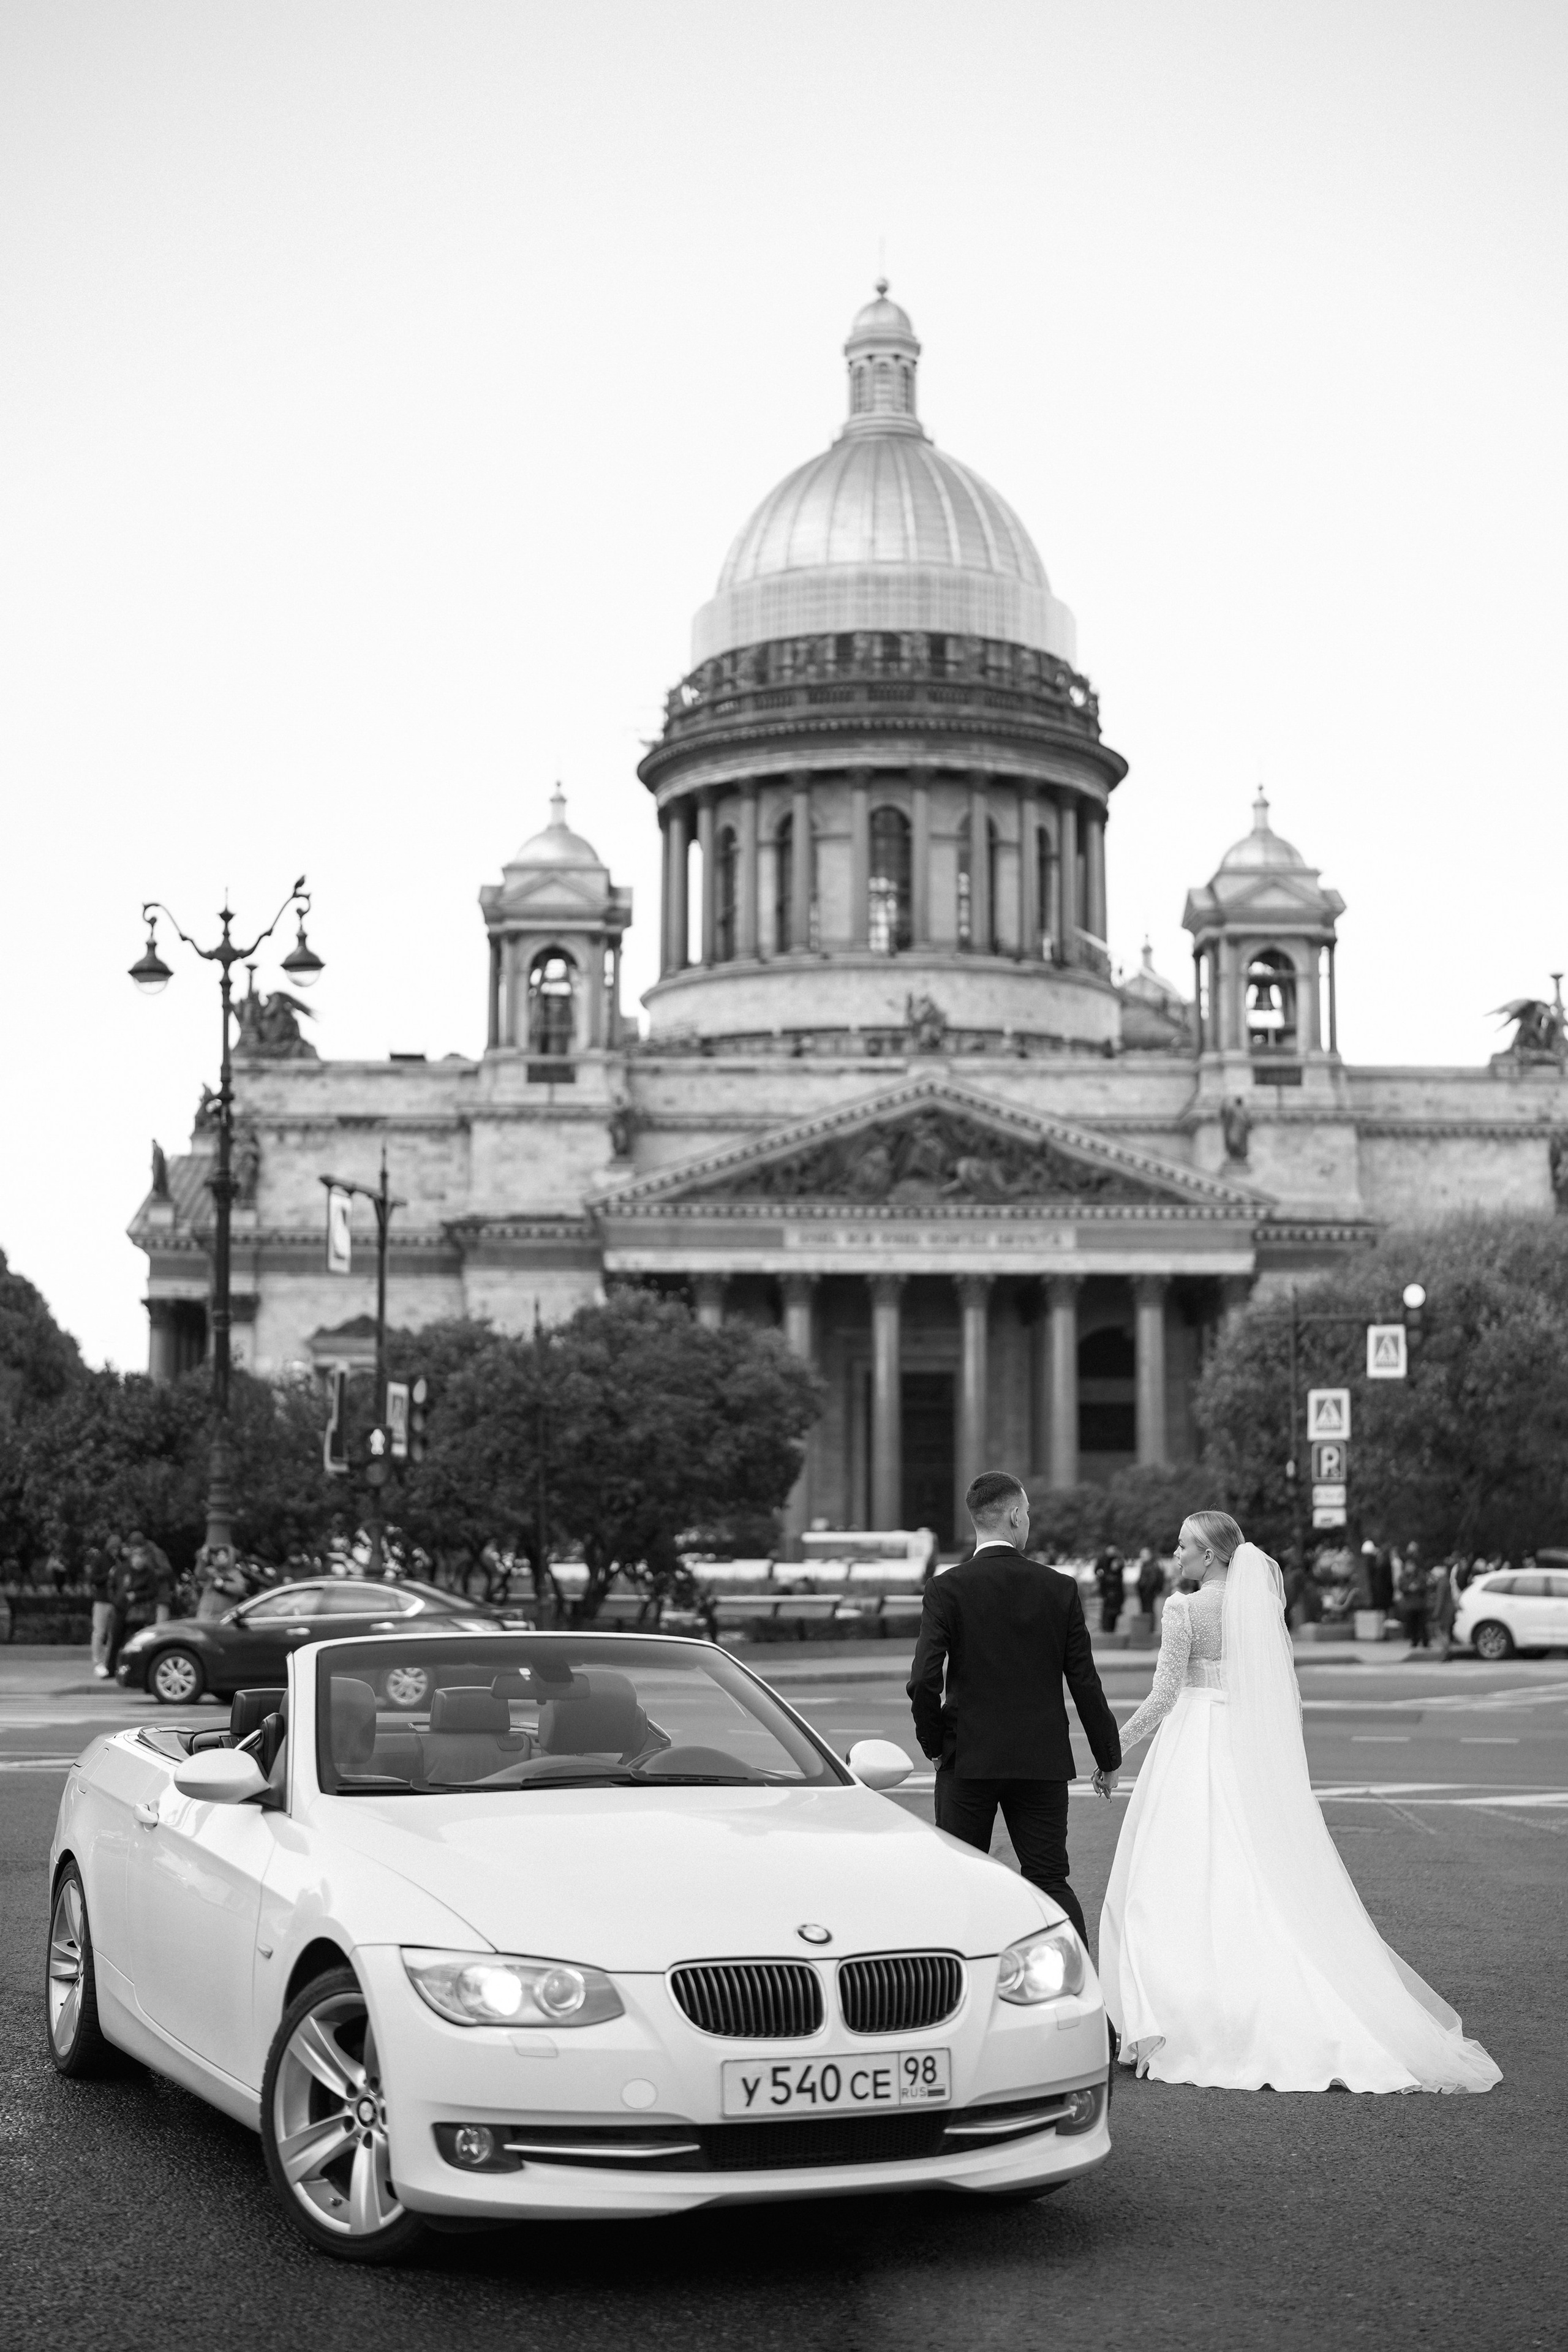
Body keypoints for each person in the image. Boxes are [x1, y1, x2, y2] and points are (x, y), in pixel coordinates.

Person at [1098, 1510, 1499, 2092]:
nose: (1175, 1555)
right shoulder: (1255, 1609)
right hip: (1239, 1746)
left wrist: (1115, 1752)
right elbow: (1279, 1692)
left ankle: (1183, 2005)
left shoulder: (1183, 1608)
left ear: (1209, 1556)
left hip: (1192, 1743)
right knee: (1252, 1867)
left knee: (1173, 1874)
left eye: (1184, 1547)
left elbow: (1164, 1695)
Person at [907, 1470, 1121, 1943]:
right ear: (1015, 1516)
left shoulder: (947, 1588)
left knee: (964, 1884)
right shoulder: (1059, 1588)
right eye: (1027, 1515)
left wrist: (935, 1745)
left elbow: (924, 1680)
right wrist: (1108, 1758)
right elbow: (1085, 1682)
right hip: (1039, 1761)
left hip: (967, 1759)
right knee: (1049, 1881)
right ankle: (1082, 1995)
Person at [85, 1534, 121, 1678]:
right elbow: (94, 1579)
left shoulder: (118, 1561)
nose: (116, 1551)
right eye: (113, 1548)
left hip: (114, 1601)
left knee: (112, 1633)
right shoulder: (100, 1559)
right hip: (102, 1600)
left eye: (117, 1548)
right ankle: (97, 1660)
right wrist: (109, 1575)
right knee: (99, 1631)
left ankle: (109, 1661)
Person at [1397, 1548, 1430, 1652]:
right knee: (1412, 1625)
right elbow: (1401, 1587)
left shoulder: (1420, 1574)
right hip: (1410, 1605)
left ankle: (1425, 1641)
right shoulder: (1404, 1576)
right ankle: (1414, 1641)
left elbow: (1424, 1586)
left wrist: (1417, 1587)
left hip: (1419, 1604)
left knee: (1422, 1624)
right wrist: (1409, 1588)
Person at [1093, 1545, 1125, 1637]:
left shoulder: (1118, 1572)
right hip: (1108, 1594)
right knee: (1107, 1613)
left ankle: (1111, 1630)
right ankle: (1106, 1629)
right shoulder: (1104, 1564)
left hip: (1115, 1595)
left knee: (1113, 1613)